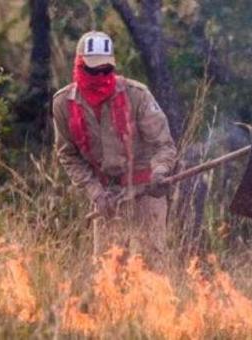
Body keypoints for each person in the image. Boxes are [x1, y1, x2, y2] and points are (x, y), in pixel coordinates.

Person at [52, 31, 178, 269]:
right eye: (92, 70)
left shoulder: (137, 95)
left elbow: (164, 145)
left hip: (145, 190)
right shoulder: (63, 104)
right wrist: (95, 193)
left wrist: (160, 172)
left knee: (153, 268)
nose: (100, 76)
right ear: (79, 65)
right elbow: (67, 154)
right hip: (106, 196)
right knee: (109, 271)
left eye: (105, 70)